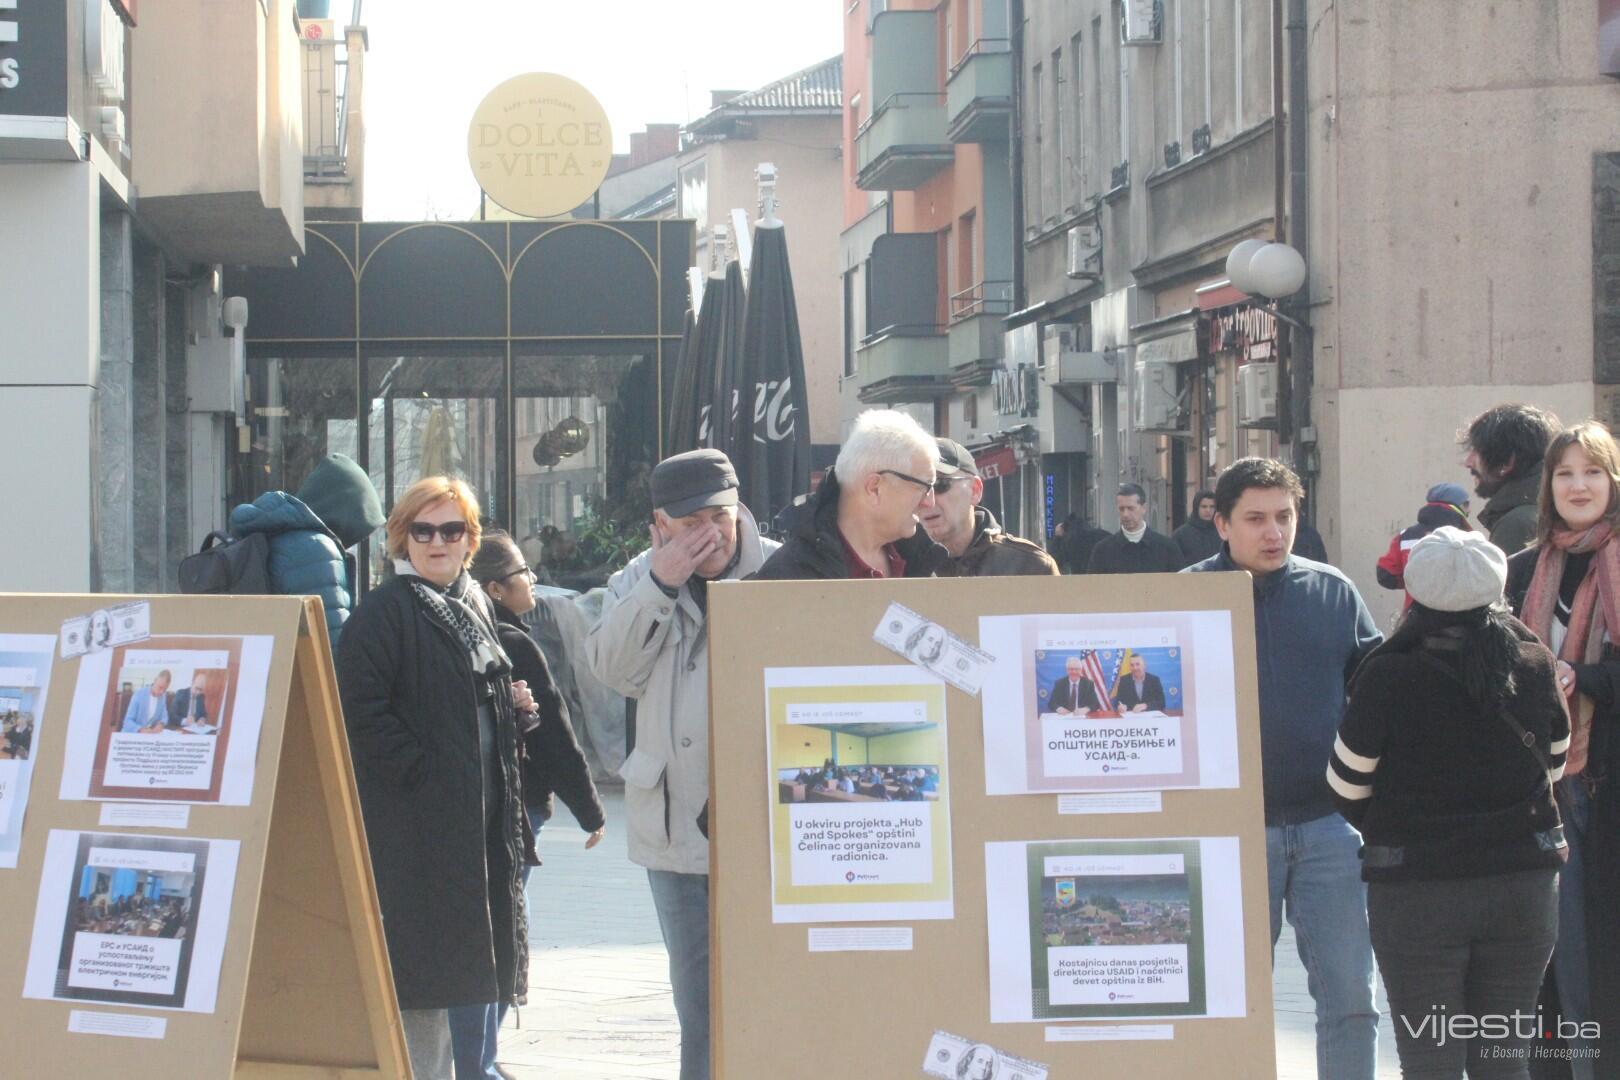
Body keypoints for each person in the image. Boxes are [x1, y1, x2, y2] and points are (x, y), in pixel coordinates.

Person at [1331, 527, 1568, 1076]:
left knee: (1429, 1062)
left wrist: (1393, 820)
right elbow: (1553, 768)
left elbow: (1345, 785)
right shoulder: (1533, 667)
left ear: (1414, 596)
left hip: (1417, 894)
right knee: (1504, 1062)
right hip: (1523, 888)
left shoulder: (1387, 676)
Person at [1185, 457, 1383, 1080]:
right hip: (1230, 834)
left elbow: (1377, 693)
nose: (1274, 532)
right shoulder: (1184, 597)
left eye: (1285, 517)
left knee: (1351, 999)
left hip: (1330, 828)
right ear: (1221, 524)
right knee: (1228, 1003)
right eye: (1255, 519)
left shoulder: (1333, 592)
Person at [585, 448, 778, 1080]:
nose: (709, 534)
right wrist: (659, 587)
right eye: (689, 521)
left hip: (768, 826)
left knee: (770, 992)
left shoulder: (784, 569)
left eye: (719, 515)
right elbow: (613, 671)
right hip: (672, 828)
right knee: (698, 1006)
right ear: (659, 526)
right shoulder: (635, 581)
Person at [335, 477, 537, 1080]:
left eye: (451, 530)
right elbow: (359, 712)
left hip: (478, 828)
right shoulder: (385, 613)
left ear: (470, 539)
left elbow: (472, 701)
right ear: (403, 537)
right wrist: (427, 777)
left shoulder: (471, 604)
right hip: (416, 833)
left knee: (471, 968)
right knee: (422, 983)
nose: (437, 542)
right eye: (422, 531)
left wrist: (515, 712)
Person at [461, 530, 606, 1080]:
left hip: (485, 806)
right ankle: (482, 1063)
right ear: (496, 588)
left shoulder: (481, 636)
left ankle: (476, 1059)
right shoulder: (514, 645)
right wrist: (590, 810)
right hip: (519, 809)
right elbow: (555, 735)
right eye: (524, 574)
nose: (533, 583)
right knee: (504, 930)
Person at [1504, 420, 1620, 1077]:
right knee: (1551, 961)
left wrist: (1590, 678)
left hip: (1606, 783)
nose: (1579, 485)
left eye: (1593, 472)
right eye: (1566, 473)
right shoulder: (1524, 568)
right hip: (1540, 790)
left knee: (1602, 959)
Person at [755, 409, 949, 581]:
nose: (930, 502)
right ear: (874, 489)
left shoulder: (919, 562)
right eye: (924, 486)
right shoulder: (788, 577)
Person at [229, 453, 386, 644]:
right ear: (348, 514)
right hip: (295, 671)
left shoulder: (271, 536)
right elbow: (330, 641)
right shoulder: (317, 549)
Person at [921, 438, 1059, 577]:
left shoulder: (1029, 565)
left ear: (975, 490)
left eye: (940, 484)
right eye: (918, 488)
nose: (927, 500)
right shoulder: (901, 567)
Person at [1462, 403, 1559, 556]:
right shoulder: (1545, 510)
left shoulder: (1517, 525)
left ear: (1507, 461)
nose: (1468, 462)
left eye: (1477, 451)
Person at [1374, 482, 1471, 610]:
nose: (1469, 510)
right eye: (1467, 504)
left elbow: (1385, 575)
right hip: (1459, 620)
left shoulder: (1405, 537)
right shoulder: (1468, 538)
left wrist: (1413, 581)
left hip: (1415, 621)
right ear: (1459, 506)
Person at [1087, 484, 1183, 574]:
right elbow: (1094, 588)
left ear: (1143, 508)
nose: (1125, 514)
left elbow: (1179, 586)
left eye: (1131, 508)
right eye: (1121, 509)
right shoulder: (1102, 550)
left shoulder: (1167, 548)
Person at [1171, 490, 1221, 568]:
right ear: (1196, 508)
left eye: (1212, 507)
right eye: (1204, 506)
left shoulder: (1222, 533)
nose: (1208, 510)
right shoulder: (1181, 535)